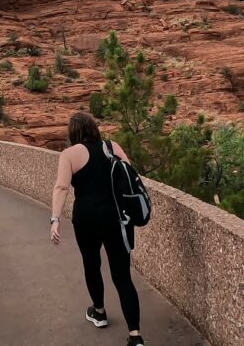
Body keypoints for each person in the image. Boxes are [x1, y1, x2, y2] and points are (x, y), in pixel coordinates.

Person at [50, 112, 144, 346]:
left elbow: (61, 187)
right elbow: (130, 175)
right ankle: (136, 337)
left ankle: (99, 312)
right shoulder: (112, 146)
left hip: (86, 219)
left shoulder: (69, 154)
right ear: (94, 128)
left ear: (73, 132)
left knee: (91, 264)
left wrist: (55, 219)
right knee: (122, 277)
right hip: (116, 218)